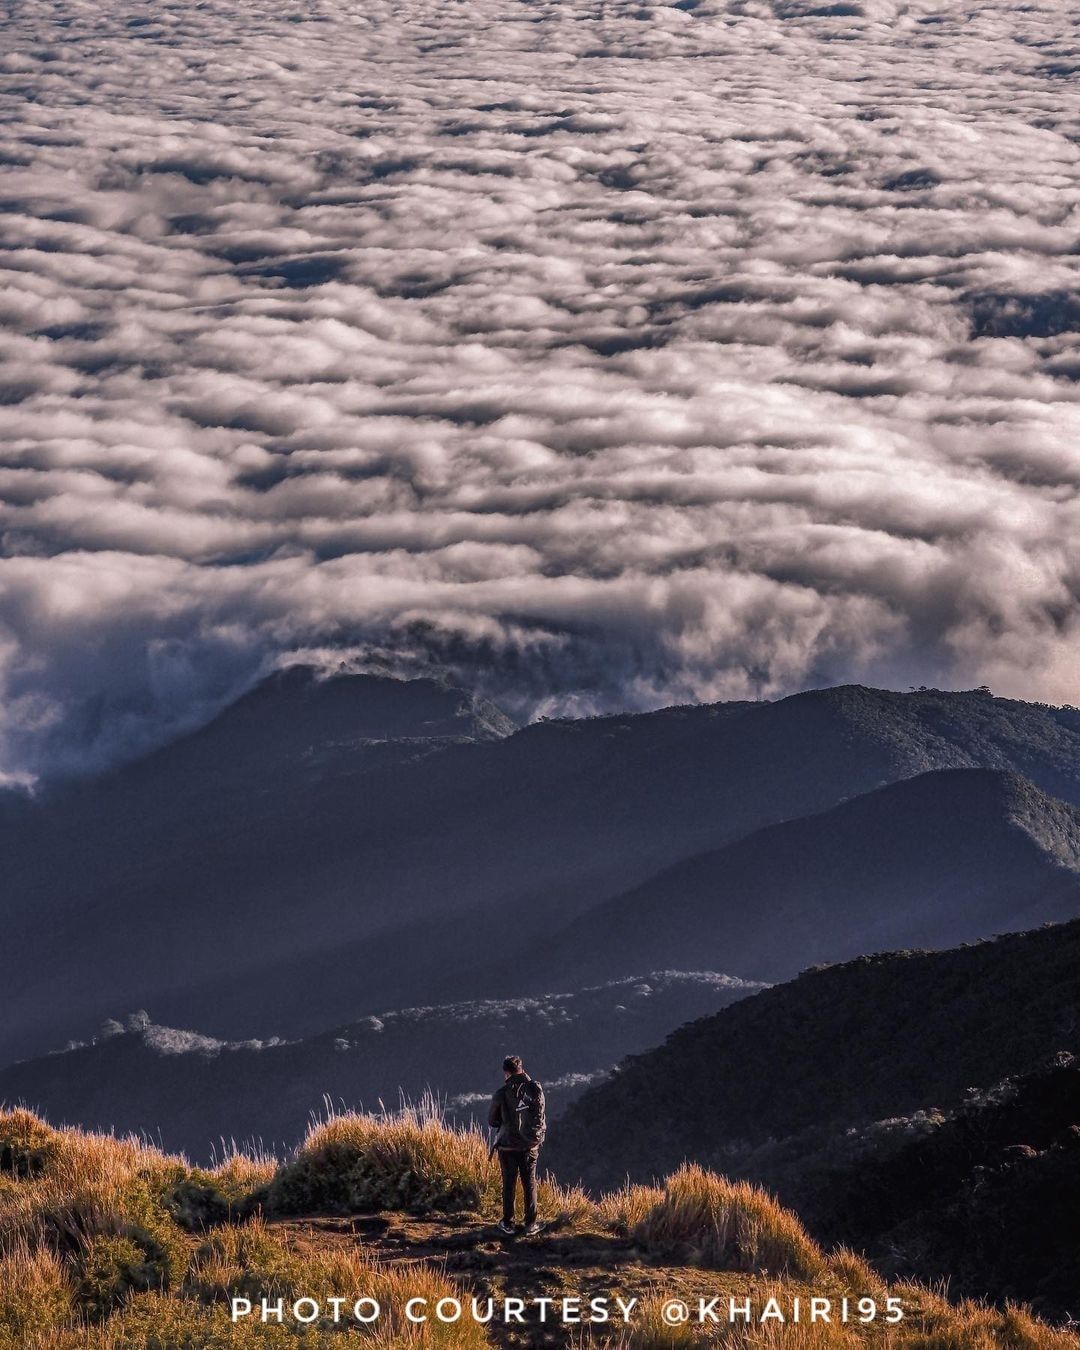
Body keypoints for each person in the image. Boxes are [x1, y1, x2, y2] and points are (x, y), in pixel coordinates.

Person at [488, 1054, 546, 1236]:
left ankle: (508, 1223)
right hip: (530, 1145)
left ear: (506, 1073)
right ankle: (530, 1224)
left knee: (509, 1184)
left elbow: (492, 1121)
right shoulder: (535, 1088)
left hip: (508, 1146)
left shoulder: (501, 1094)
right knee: (529, 1183)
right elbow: (540, 1114)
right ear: (521, 1069)